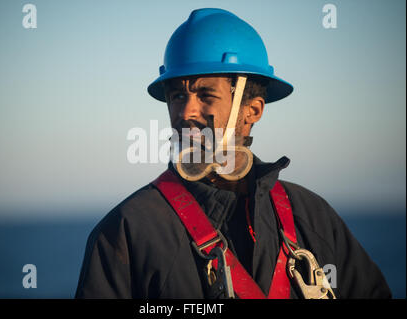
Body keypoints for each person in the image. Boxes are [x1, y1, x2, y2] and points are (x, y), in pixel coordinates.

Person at [75, 8, 391, 299]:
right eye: (176, 96)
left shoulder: (312, 217)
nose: (185, 112)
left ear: (252, 110)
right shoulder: (127, 231)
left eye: (205, 94)